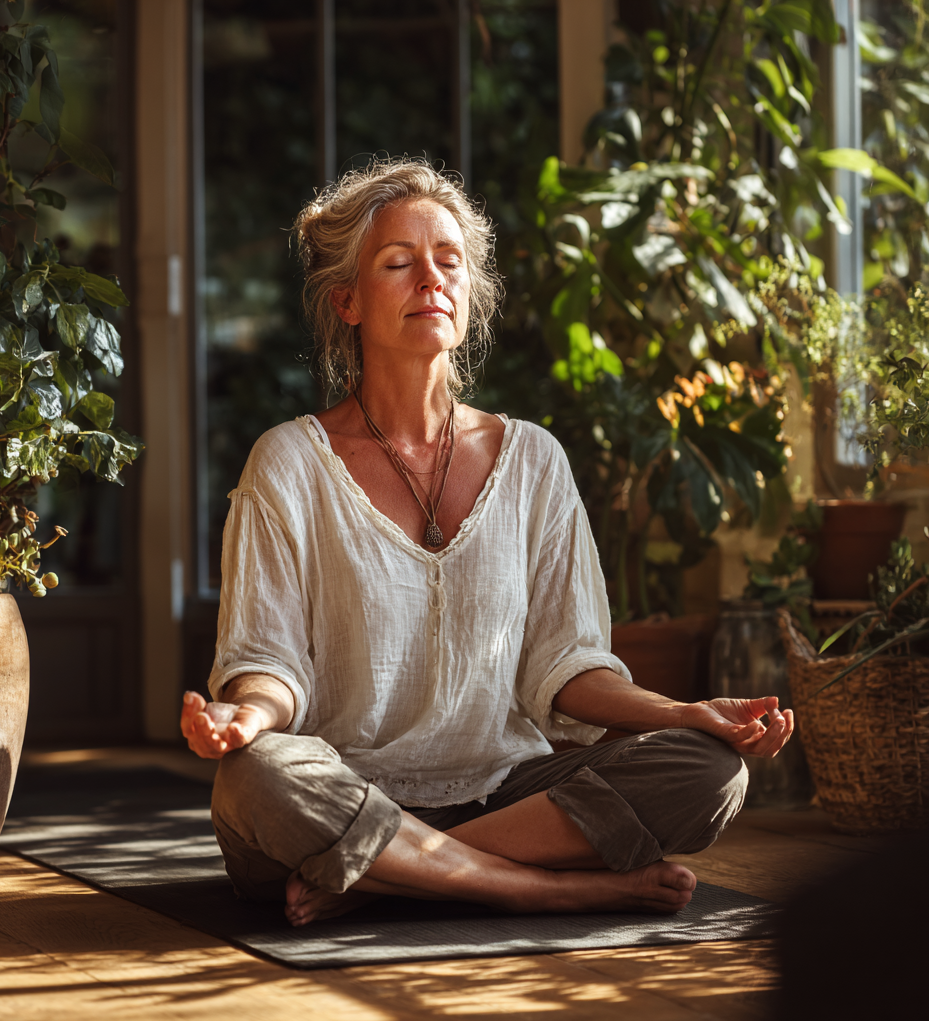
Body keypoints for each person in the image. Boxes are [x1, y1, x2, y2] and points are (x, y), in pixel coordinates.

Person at [181, 158, 794, 928]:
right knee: (256, 779)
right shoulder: (289, 462)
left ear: (470, 295)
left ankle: (386, 873)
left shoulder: (533, 459)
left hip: (511, 793)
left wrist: (684, 712)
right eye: (399, 264)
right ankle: (539, 887)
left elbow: (567, 667)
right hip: (343, 788)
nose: (430, 280)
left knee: (710, 771)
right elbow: (269, 664)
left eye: (449, 263)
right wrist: (248, 720)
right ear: (348, 302)